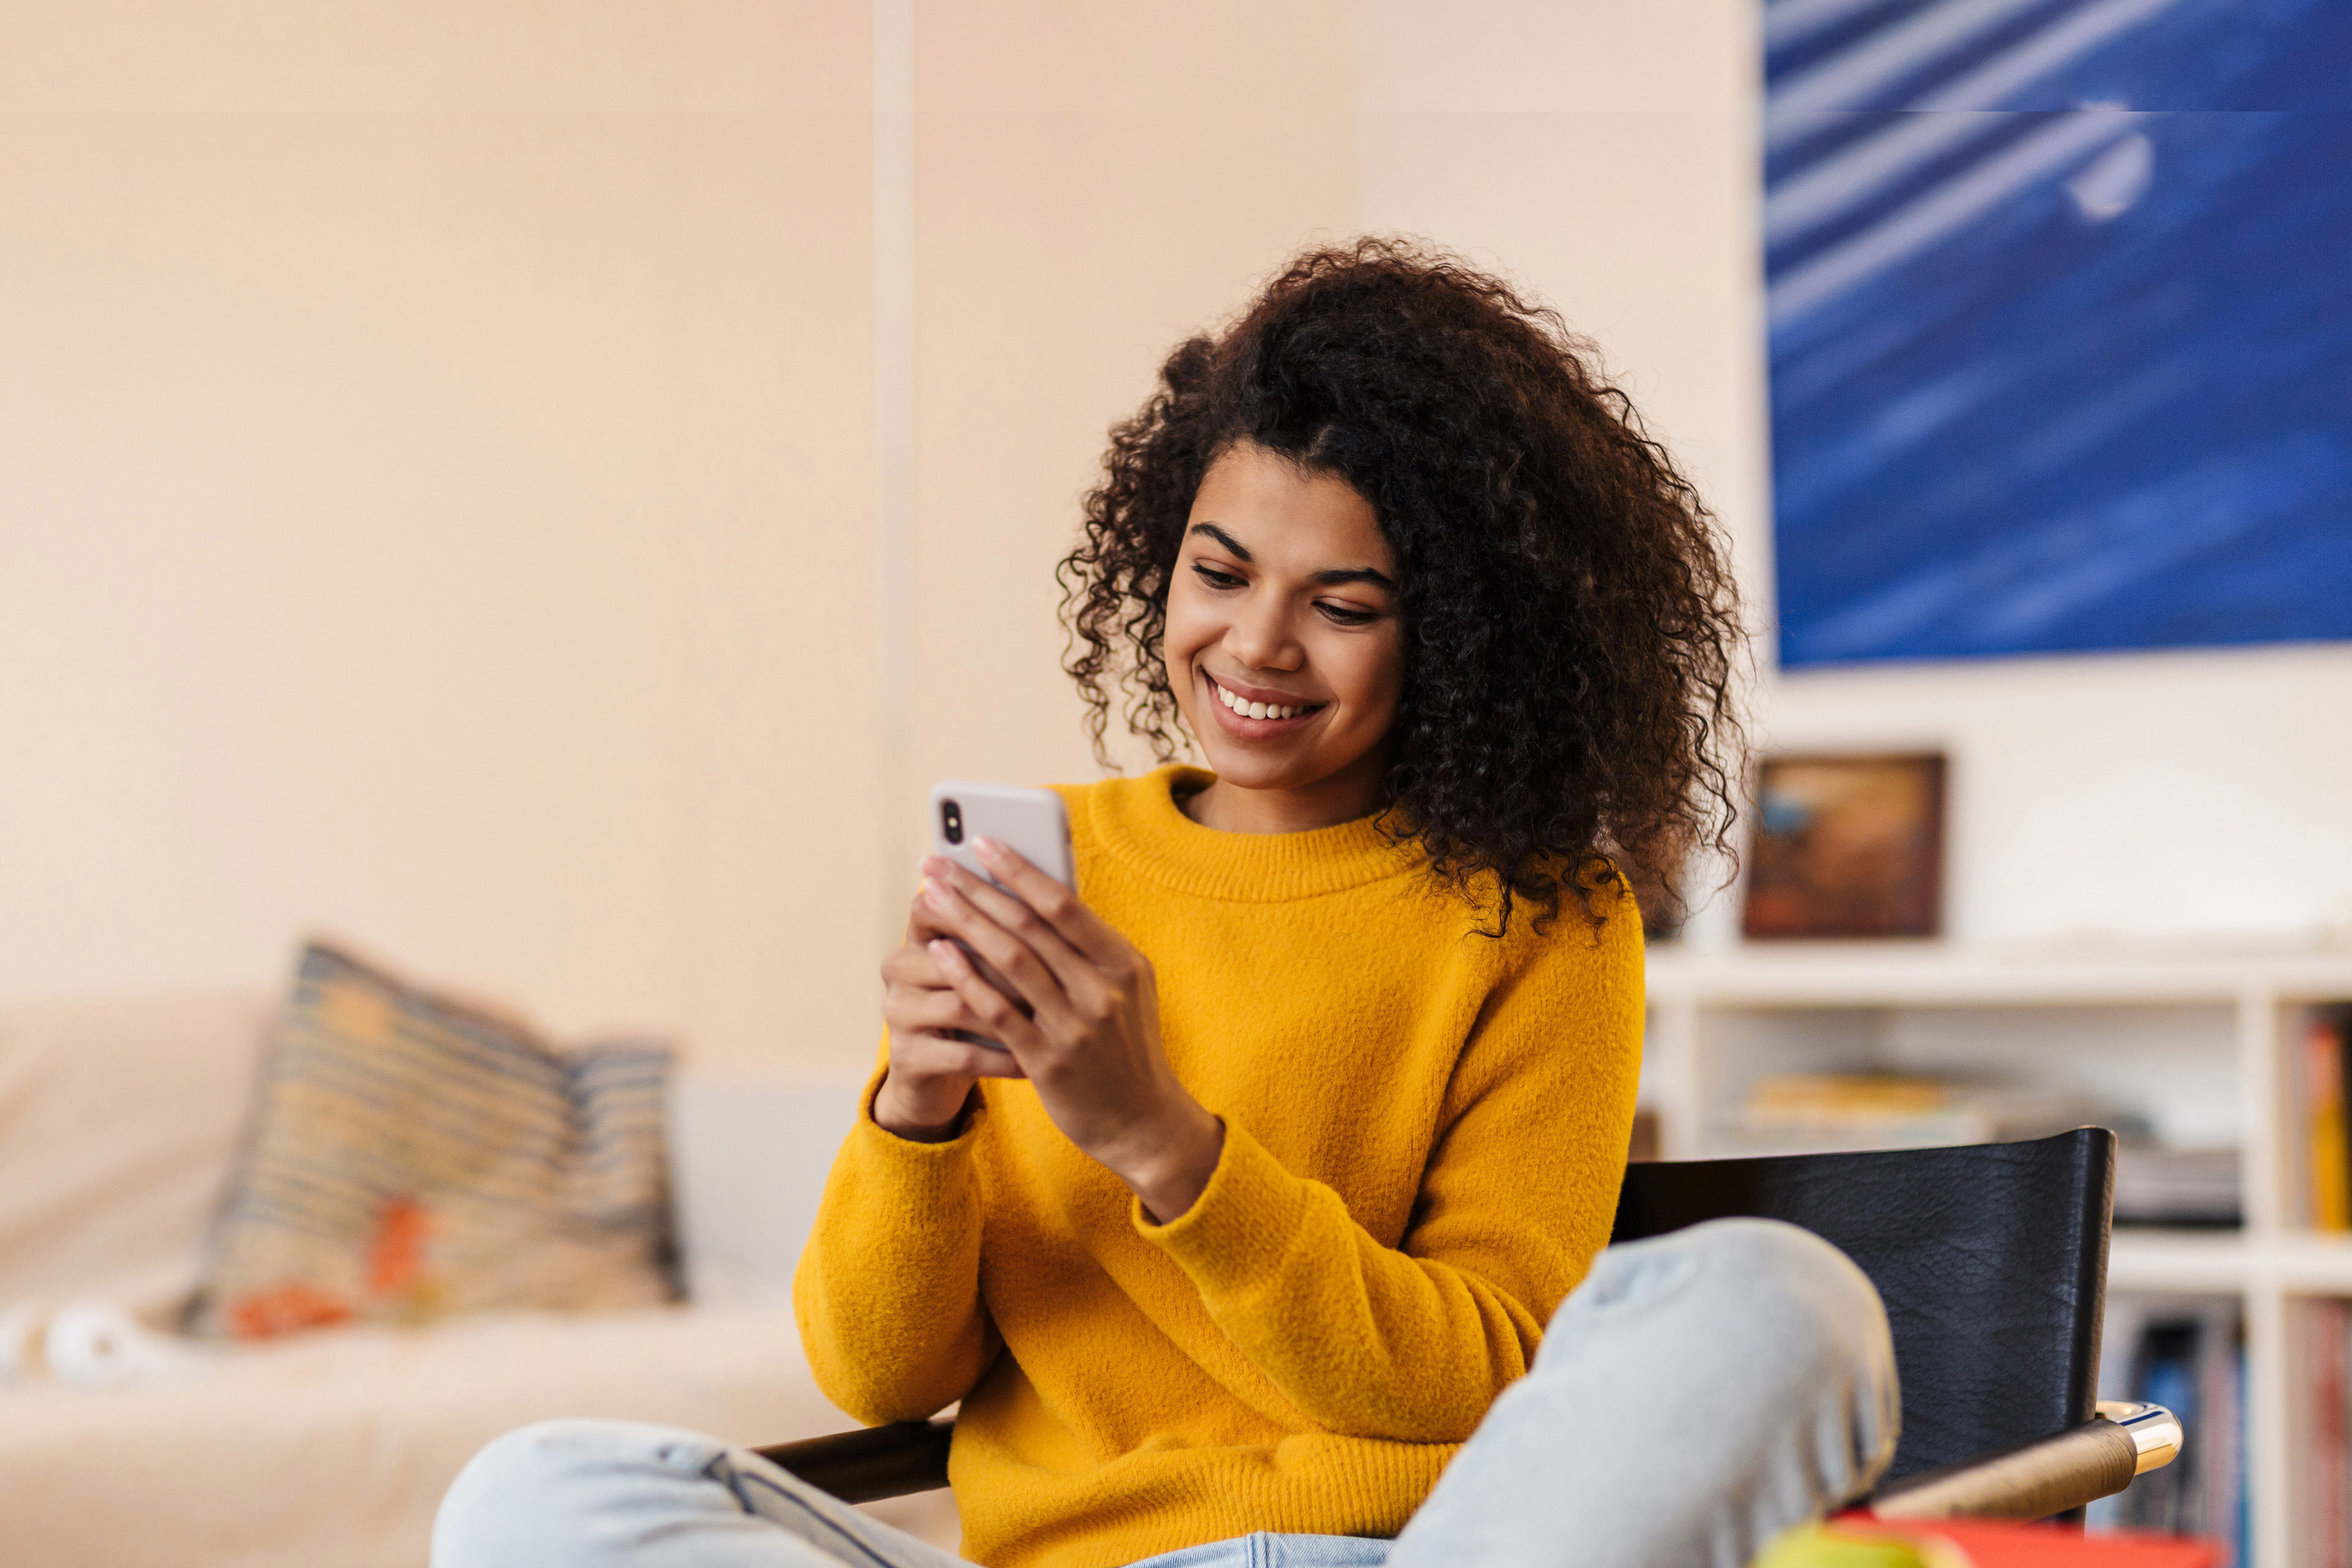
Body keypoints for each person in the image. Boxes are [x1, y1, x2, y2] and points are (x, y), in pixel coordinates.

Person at [432, 240, 1899, 1568]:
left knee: (1785, 1303)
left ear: (1456, 637)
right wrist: (921, 1111)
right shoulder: (1047, 866)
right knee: (533, 1493)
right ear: (1163, 554)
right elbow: (878, 1376)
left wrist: (1164, 1140)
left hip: (1399, 1554)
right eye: (1220, 570)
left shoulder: (1542, 916)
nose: (1256, 645)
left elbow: (1492, 1372)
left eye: (1344, 602)